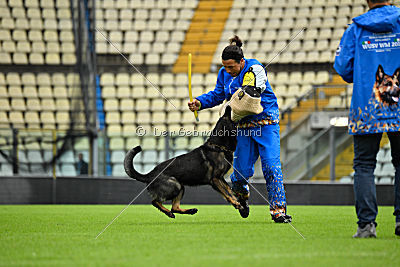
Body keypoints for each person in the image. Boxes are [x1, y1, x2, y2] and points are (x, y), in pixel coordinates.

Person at [188, 36, 292, 223]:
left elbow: (251, 96)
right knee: (240, 172)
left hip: (266, 124)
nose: (227, 71)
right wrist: (200, 102)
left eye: (231, 67)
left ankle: (278, 210)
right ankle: (241, 192)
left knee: (271, 166)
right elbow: (219, 94)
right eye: (225, 67)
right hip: (242, 128)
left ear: (241, 62)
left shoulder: (255, 69)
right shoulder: (224, 73)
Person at [334, 0, 400, 238]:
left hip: (366, 109)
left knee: (364, 165)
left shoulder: (355, 29)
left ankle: (366, 225)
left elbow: (343, 67)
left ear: (367, 1)